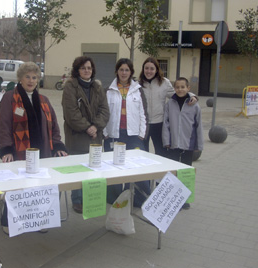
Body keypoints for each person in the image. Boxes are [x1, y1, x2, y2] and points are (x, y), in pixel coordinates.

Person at [0, 62, 67, 234]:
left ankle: (41, 220)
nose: (30, 80)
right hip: (19, 152)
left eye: (34, 77)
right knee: (18, 187)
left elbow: (54, 126)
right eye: (27, 76)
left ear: (38, 80)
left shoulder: (44, 100)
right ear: (20, 78)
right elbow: (4, 125)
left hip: (43, 151)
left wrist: (58, 145)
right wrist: (5, 149)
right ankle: (8, 221)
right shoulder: (9, 98)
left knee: (44, 186)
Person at [62, 56, 110, 214]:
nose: (87, 71)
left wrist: (96, 126)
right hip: (77, 136)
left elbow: (104, 110)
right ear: (77, 70)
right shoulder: (70, 87)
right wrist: (87, 127)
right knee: (78, 170)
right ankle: (77, 200)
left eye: (89, 68)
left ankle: (91, 198)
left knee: (93, 169)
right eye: (83, 68)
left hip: (95, 135)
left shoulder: (97, 87)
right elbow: (71, 113)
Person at [103, 58, 150, 207]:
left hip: (133, 135)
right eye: (121, 69)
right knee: (113, 167)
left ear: (131, 72)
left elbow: (143, 113)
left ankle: (140, 198)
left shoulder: (137, 90)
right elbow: (103, 113)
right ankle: (114, 198)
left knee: (138, 167)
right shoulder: (108, 90)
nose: (124, 73)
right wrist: (105, 132)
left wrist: (141, 135)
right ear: (117, 71)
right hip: (113, 135)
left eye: (127, 70)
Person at [139, 57, 197, 157]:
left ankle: (161, 172)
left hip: (159, 123)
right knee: (143, 153)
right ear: (143, 69)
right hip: (143, 124)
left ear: (157, 69)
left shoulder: (164, 83)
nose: (149, 71)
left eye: (152, 68)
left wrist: (191, 95)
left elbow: (177, 94)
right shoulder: (138, 84)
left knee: (161, 152)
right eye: (146, 68)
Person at [162, 77, 203, 209]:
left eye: (183, 87)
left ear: (188, 88)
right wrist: (166, 141)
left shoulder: (194, 105)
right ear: (174, 88)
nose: (180, 89)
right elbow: (166, 123)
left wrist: (199, 145)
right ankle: (172, 198)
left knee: (186, 172)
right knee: (173, 172)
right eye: (177, 87)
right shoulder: (170, 104)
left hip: (188, 143)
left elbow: (199, 126)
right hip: (173, 143)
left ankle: (184, 199)